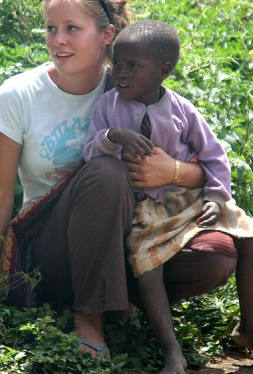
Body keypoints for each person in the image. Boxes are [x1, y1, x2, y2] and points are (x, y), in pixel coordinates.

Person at [83, 19, 253, 371]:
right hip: (146, 208)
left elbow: (214, 156)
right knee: (147, 262)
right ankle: (171, 349)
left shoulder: (182, 110)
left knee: (249, 235)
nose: (121, 73)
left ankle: (249, 325)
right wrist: (114, 135)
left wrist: (216, 198)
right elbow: (89, 152)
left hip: (189, 200)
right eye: (117, 63)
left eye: (133, 66)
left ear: (164, 71)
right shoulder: (109, 107)